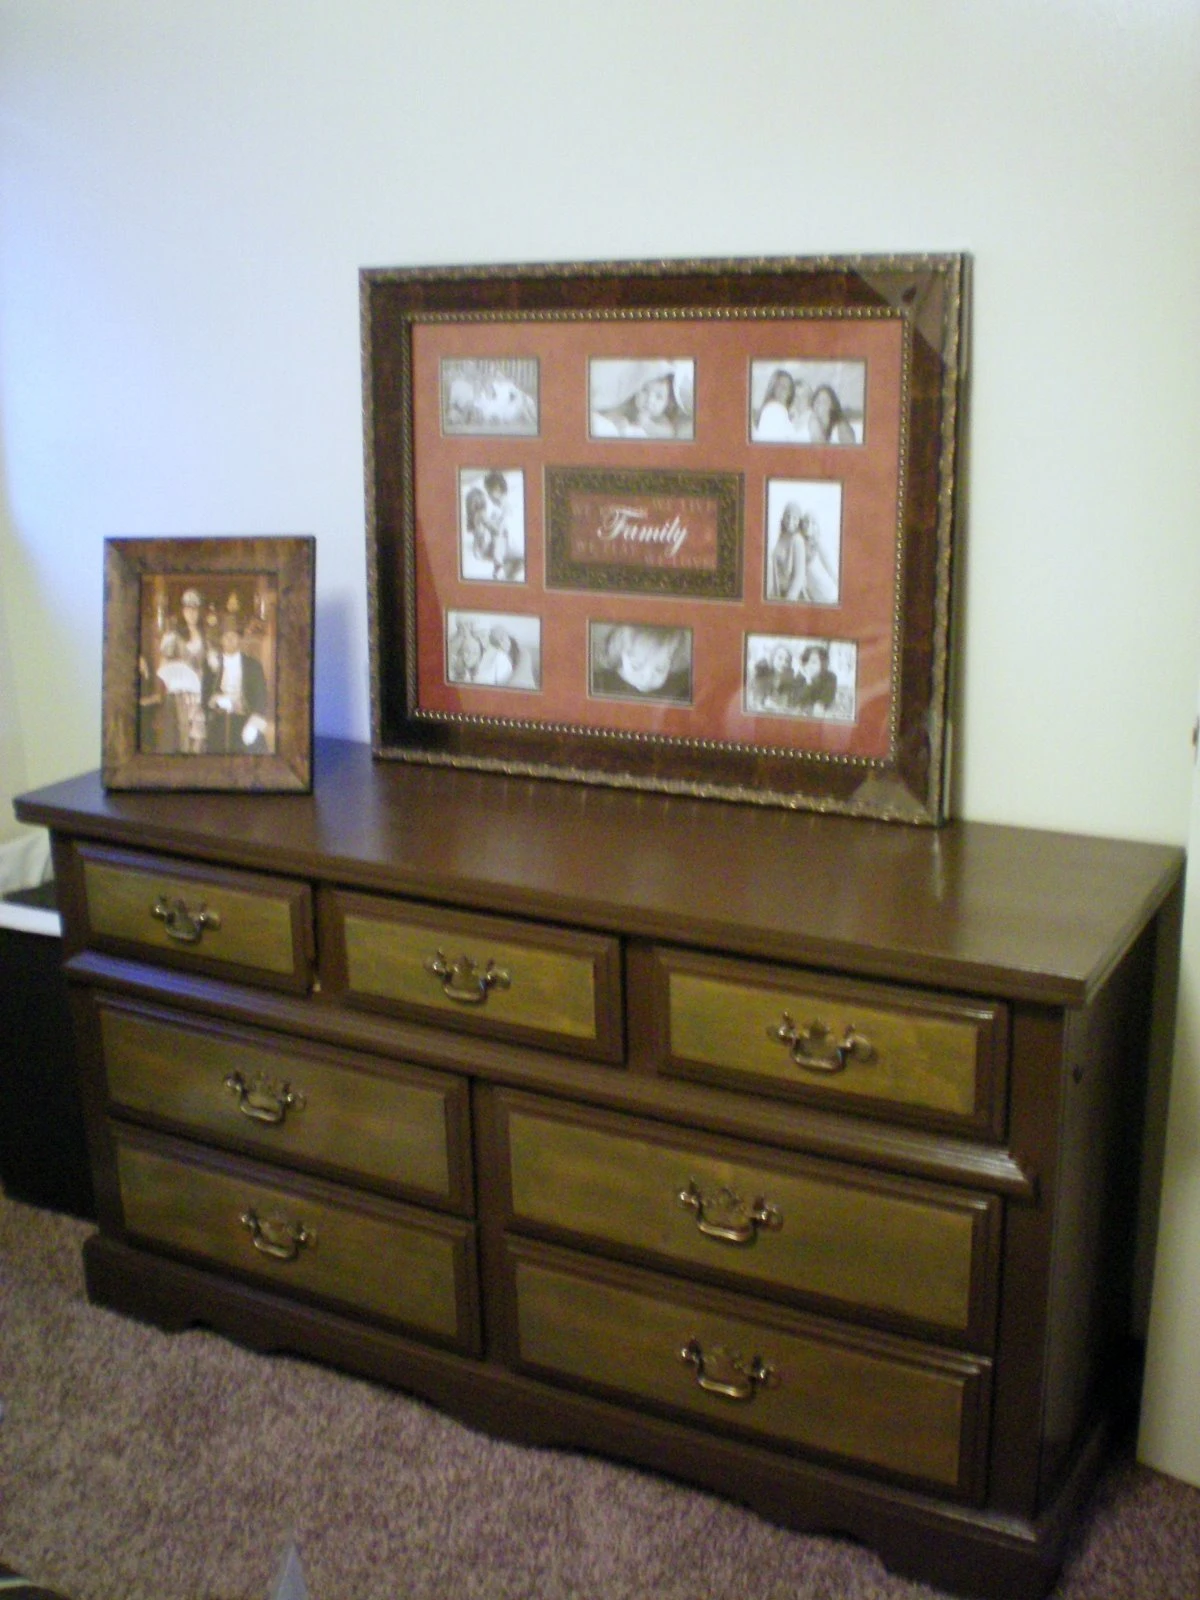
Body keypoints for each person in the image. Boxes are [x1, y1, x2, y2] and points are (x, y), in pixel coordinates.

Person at [154, 587, 210, 753]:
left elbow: (208, 665)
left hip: (199, 695)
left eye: (195, 609)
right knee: (178, 739)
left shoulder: (205, 637)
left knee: (198, 743)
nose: (191, 613)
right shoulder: (173, 636)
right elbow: (162, 667)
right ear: (182, 612)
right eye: (188, 609)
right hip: (178, 695)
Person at [205, 618, 270, 754]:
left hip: (246, 721)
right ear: (221, 640)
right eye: (226, 636)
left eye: (234, 636)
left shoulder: (253, 665)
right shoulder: (211, 665)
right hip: (219, 723)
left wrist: (254, 724)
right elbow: (204, 696)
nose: (230, 640)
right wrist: (216, 701)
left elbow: (261, 697)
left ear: (239, 639)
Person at [591, 362, 692, 439]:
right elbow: (612, 415)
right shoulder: (629, 408)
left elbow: (670, 433)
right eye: (645, 390)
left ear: (667, 404)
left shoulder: (661, 420)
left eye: (659, 397)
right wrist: (619, 421)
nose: (649, 399)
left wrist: (647, 425)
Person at [591, 624, 691, 700]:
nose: (647, 678)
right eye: (636, 666)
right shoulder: (598, 683)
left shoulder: (680, 690)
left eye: (660, 669)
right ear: (619, 653)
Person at [768, 502, 809, 601]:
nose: (790, 521)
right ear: (783, 518)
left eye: (795, 518)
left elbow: (799, 576)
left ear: (799, 521)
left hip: (791, 596)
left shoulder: (797, 540)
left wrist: (789, 600)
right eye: (788, 517)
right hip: (778, 593)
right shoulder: (781, 537)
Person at [794, 643, 839, 714]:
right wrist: (808, 681)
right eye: (814, 662)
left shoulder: (831, 677)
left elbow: (825, 702)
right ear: (805, 664)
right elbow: (798, 702)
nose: (820, 665)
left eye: (823, 661)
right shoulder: (800, 677)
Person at [752, 369, 796, 441]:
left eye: (786, 387)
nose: (782, 390)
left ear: (790, 392)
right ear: (773, 388)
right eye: (779, 385)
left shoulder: (783, 411)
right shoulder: (774, 409)